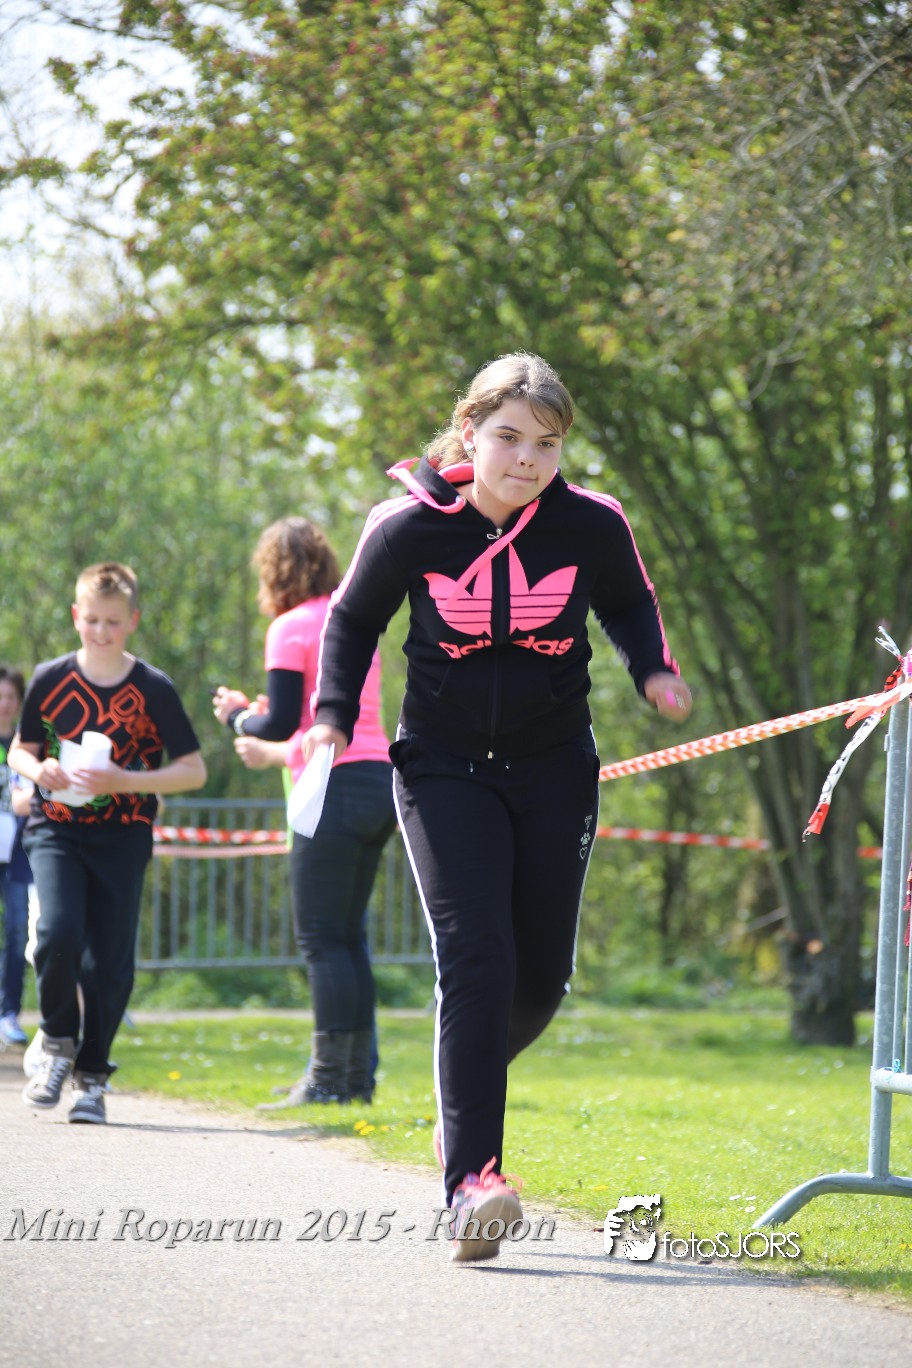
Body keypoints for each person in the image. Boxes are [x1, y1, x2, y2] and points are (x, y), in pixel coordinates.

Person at [301, 352, 693, 1262]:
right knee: (478, 957)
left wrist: (653, 669)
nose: (526, 459)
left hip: (555, 769)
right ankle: (474, 1183)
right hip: (443, 769)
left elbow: (630, 603)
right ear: (468, 432)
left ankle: (461, 1083)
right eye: (509, 437)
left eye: (546, 444)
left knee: (540, 979)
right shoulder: (407, 527)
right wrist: (329, 717)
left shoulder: (592, 524)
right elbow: (352, 622)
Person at [9, 562, 206, 1124]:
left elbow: (193, 771)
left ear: (132, 621)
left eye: (112, 622)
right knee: (56, 932)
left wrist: (125, 780)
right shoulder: (49, 678)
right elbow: (20, 750)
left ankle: (92, 1077)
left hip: (123, 834)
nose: (101, 631)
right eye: (92, 619)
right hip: (56, 828)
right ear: (76, 616)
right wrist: (39, 769)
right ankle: (56, 1043)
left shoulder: (152, 687)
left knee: (108, 961)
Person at [213, 517, 395, 1105]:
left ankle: (327, 1079)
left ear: (274, 571)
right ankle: (355, 1079)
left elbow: (277, 724)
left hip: (332, 787)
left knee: (322, 938)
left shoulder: (289, 627)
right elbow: (314, 714)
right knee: (347, 937)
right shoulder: (350, 618)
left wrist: (237, 715)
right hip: (380, 780)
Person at [0, 666, 31, 1047]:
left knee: (17, 929)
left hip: (19, 854)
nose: (4, 704)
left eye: (10, 697)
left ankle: (8, 1012)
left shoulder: (28, 743)